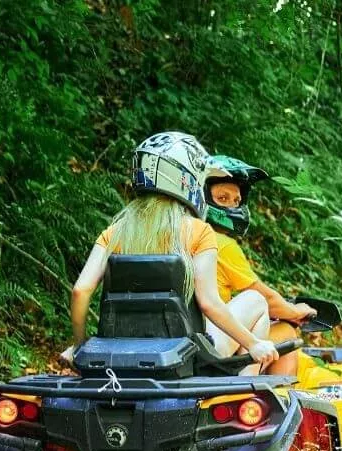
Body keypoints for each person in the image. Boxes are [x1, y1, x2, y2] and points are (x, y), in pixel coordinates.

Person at [65, 132, 278, 372]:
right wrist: (253, 344)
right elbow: (209, 304)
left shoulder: (114, 232)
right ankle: (242, 390)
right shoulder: (198, 231)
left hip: (119, 352)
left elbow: (80, 290)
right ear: (188, 178)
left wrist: (80, 346)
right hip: (189, 354)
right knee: (256, 300)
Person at [204, 155, 318, 376]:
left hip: (179, 341)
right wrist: (296, 312)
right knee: (286, 331)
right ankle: (275, 400)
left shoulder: (178, 234)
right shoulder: (220, 244)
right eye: (223, 198)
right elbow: (267, 300)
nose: (232, 205)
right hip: (208, 343)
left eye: (236, 200)